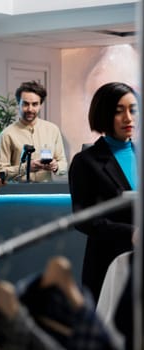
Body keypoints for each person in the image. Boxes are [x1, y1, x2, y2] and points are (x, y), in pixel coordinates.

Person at [68, 82, 138, 304]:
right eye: (119, 111)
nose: (128, 118)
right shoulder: (86, 162)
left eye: (132, 110)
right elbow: (83, 219)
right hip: (109, 265)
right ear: (104, 114)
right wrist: (132, 233)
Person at [0, 80, 67, 182]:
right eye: (25, 104)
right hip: (19, 195)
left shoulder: (53, 130)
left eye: (35, 104)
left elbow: (63, 165)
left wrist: (56, 166)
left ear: (40, 105)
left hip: (46, 194)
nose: (30, 109)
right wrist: (26, 167)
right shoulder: (6, 134)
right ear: (18, 103)